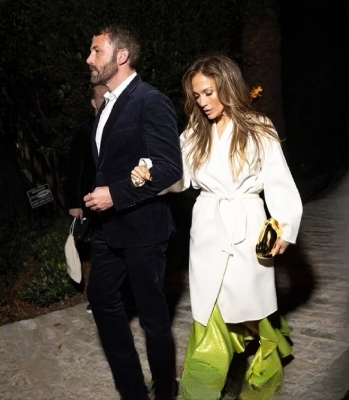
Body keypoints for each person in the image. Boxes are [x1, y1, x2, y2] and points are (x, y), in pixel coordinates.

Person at [131, 54, 302, 400]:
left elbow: (278, 179)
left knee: (249, 305)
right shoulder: (195, 133)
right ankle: (200, 389)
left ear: (227, 85)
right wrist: (148, 173)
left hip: (248, 224)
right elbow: (176, 174)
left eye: (209, 93)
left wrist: (284, 225)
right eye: (197, 96)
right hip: (208, 227)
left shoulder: (258, 127)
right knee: (210, 308)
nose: (203, 102)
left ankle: (272, 347)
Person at [83, 25, 183, 400]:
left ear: (121, 56)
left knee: (153, 319)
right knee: (101, 299)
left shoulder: (150, 101)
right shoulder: (107, 104)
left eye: (97, 51)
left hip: (144, 229)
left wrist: (116, 194)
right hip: (109, 229)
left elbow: (169, 168)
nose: (89, 59)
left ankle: (165, 391)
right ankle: (132, 389)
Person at [66, 83, 107, 313]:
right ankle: (97, 298)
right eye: (102, 96)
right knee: (99, 251)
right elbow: (75, 169)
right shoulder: (84, 131)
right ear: (93, 102)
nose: (107, 99)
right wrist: (74, 203)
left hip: (118, 200)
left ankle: (119, 296)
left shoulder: (120, 125)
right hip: (92, 202)